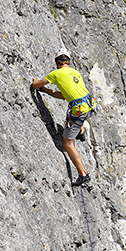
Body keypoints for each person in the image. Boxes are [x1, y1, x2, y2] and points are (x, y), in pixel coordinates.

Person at [31, 49, 97, 186]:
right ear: (69, 62)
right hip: (90, 105)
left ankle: (83, 174)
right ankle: (80, 130)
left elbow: (35, 85)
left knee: (67, 144)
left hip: (79, 111)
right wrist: (47, 91)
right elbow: (65, 95)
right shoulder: (75, 72)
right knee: (76, 118)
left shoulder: (56, 74)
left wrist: (38, 84)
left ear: (56, 62)